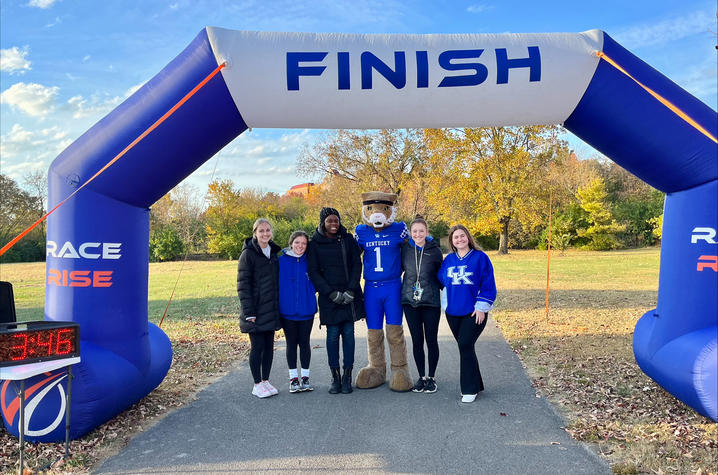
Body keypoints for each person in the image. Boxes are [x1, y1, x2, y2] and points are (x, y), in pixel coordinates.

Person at [307, 207, 364, 394]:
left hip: (349, 295)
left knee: (348, 335)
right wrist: (330, 293)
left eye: (336, 221)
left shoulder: (347, 240)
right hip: (329, 297)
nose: (333, 224)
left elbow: (357, 264)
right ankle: (335, 377)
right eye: (329, 221)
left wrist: (351, 289)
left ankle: (347, 376)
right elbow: (314, 272)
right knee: (332, 337)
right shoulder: (314, 244)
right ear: (322, 222)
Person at [438, 224, 497, 403]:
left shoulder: (480, 258)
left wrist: (481, 307)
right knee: (466, 348)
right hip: (453, 312)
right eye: (456, 237)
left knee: (464, 345)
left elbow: (488, 285)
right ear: (452, 242)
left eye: (462, 236)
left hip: (474, 313)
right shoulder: (449, 260)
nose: (459, 239)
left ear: (468, 237)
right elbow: (441, 280)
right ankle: (477, 383)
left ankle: (469, 389)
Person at [238, 218, 282, 398]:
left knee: (268, 347)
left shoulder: (273, 253)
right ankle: (257, 383)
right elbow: (243, 285)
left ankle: (266, 380)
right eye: (261, 231)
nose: (265, 234)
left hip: (270, 309)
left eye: (267, 230)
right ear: (255, 233)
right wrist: (249, 313)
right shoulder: (248, 254)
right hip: (254, 311)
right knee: (257, 348)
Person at [401, 216, 444, 393]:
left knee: (431, 340)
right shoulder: (405, 249)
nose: (418, 234)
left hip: (431, 301)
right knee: (417, 340)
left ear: (426, 232)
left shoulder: (434, 250)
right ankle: (421, 377)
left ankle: (432, 377)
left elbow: (441, 274)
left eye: (421, 231)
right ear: (410, 233)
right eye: (415, 231)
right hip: (410, 301)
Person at [278, 230, 317, 393]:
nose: (300, 246)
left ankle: (306, 378)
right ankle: (293, 379)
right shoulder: (280, 261)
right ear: (291, 243)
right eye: (297, 242)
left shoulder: (311, 261)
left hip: (307, 309)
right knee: (291, 344)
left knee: (305, 343)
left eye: (304, 243)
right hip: (287, 310)